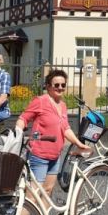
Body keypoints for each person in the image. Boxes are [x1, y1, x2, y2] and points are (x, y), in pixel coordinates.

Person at [15, 69, 90, 197]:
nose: (60, 88)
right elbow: (23, 118)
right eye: (56, 85)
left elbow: (65, 128)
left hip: (55, 156)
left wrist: (79, 144)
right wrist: (17, 132)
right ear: (48, 86)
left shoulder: (63, 105)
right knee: (33, 195)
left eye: (63, 85)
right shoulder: (40, 101)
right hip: (39, 155)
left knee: (48, 190)